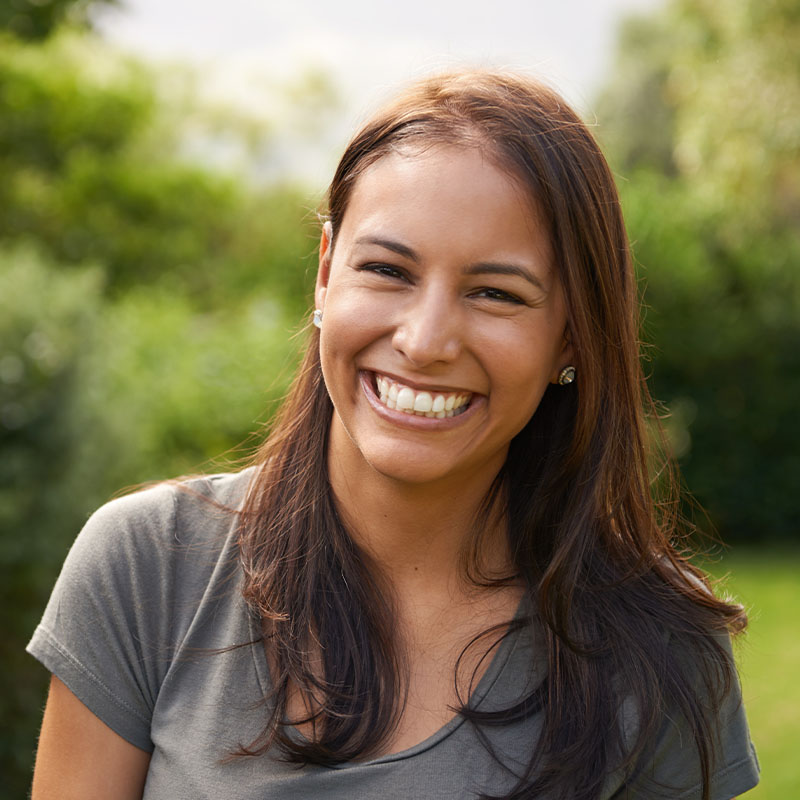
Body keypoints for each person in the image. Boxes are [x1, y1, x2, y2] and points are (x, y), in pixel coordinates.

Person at [27, 70, 759, 800]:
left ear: (571, 337)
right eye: (386, 269)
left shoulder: (662, 653)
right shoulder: (146, 568)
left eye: (495, 293)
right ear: (324, 275)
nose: (425, 339)